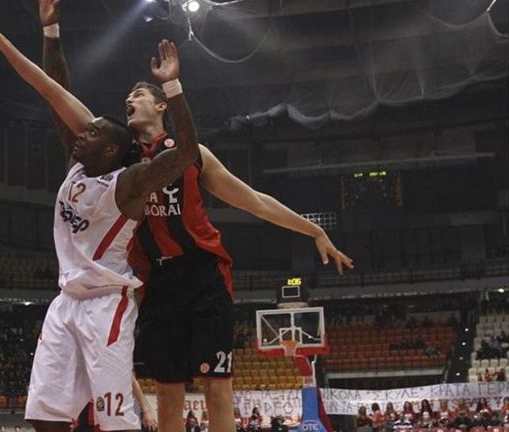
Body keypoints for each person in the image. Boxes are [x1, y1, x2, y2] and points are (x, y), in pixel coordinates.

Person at [36, 2, 354, 432]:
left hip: (203, 273)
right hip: (155, 281)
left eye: (139, 95)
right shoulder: (119, 162)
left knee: (215, 384)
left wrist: (313, 229)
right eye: (127, 96)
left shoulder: (192, 155)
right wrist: (52, 31)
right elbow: (60, 98)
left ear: (162, 106)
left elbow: (255, 201)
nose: (129, 99)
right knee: (167, 388)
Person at [0, 8, 200, 432]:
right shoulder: (78, 163)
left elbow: (187, 153)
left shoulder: (131, 184)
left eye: (94, 131)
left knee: (115, 421)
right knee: (43, 417)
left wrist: (173, 87)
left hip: (107, 305)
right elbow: (53, 89)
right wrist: (50, 31)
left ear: (110, 151)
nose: (81, 132)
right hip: (65, 303)